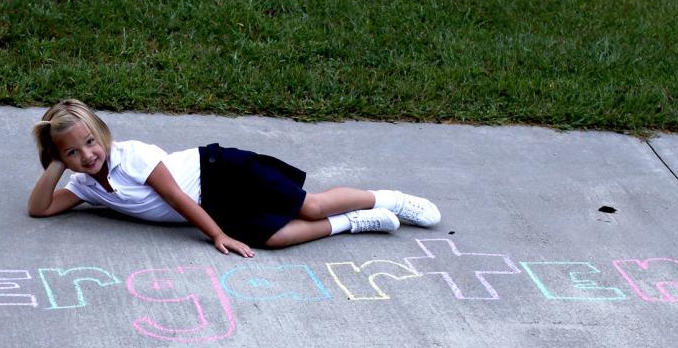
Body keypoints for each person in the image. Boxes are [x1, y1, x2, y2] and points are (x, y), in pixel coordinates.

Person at [26, 98, 441, 258]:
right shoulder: (82, 185)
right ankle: (354, 222)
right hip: (214, 205)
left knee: (308, 204)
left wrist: (216, 235)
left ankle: (387, 198)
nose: (87, 155)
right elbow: (40, 208)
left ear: (103, 134)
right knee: (275, 239)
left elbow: (179, 201)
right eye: (72, 152)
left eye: (89, 143)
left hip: (221, 172)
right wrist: (57, 167)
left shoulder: (133, 157)